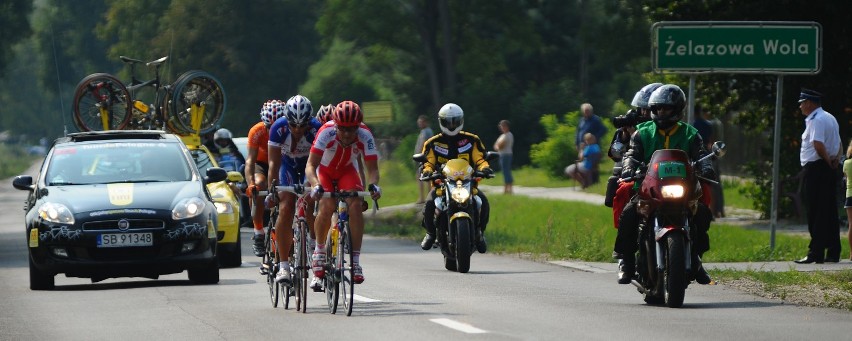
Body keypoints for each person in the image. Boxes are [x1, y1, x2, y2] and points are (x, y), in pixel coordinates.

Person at [614, 84, 715, 285]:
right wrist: (628, 167)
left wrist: (706, 167)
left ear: (677, 109)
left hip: (682, 190)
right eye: (658, 109)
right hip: (649, 189)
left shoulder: (690, 134)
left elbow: (702, 155)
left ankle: (696, 259)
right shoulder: (642, 132)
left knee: (702, 214)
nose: (661, 112)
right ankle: (626, 261)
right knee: (629, 213)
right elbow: (632, 154)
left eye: (666, 109)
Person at [306, 100, 381, 284]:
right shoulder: (326, 132)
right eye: (343, 129)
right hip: (324, 171)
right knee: (327, 204)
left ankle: (355, 261)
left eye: (352, 129)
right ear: (336, 125)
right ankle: (320, 250)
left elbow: (373, 169)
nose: (347, 134)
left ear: (358, 126)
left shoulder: (365, 135)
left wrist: (373, 186)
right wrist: (315, 184)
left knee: (355, 206)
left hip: (347, 171)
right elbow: (311, 165)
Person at [419, 103, 493, 253]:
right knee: (428, 205)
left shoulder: (471, 140)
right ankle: (431, 233)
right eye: (448, 122)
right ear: (441, 122)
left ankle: (479, 233)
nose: (452, 126)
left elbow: (479, 158)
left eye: (455, 122)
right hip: (442, 186)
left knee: (484, 202)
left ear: (461, 121)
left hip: (468, 185)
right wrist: (427, 171)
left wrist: (484, 168)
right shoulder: (433, 143)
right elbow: (429, 162)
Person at [266, 95, 323, 285]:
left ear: (309, 121)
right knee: (286, 206)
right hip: (287, 166)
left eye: (302, 125)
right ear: (287, 121)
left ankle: (316, 255)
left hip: (308, 166)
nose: (298, 130)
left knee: (311, 202)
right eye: (294, 125)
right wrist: (271, 190)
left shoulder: (316, 129)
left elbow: (320, 164)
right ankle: (283, 266)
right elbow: (273, 164)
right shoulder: (278, 128)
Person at [794, 89, 842, 264]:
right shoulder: (830, 117)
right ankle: (833, 251)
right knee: (829, 211)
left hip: (817, 168)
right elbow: (839, 142)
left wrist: (828, 160)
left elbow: (817, 143)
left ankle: (816, 252)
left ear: (809, 103)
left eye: (802, 103)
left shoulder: (816, 119)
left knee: (815, 211)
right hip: (828, 167)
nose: (800, 106)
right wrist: (836, 159)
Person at [246, 99, 286, 257]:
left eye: (278, 126)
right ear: (264, 123)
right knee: (259, 184)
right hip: (262, 163)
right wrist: (250, 184)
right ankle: (258, 232)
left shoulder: (289, 130)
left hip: (283, 162)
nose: (274, 130)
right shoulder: (256, 131)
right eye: (270, 127)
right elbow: (250, 161)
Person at [706, 108, 726, 218]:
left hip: (712, 155)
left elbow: (711, 140)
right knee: (718, 184)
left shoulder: (711, 123)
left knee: (713, 184)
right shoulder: (719, 123)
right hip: (718, 154)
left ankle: (715, 211)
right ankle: (721, 210)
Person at [415, 115, 434, 202]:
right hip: (427, 156)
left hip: (423, 157)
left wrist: (419, 155)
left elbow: (423, 143)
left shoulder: (425, 131)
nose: (420, 124)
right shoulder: (428, 131)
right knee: (427, 176)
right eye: (419, 122)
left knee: (421, 176)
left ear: (426, 122)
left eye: (421, 122)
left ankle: (422, 198)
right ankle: (429, 196)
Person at [494, 119, 514, 194]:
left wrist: (497, 146)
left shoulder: (508, 135)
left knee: (506, 172)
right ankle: (509, 189)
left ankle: (507, 189)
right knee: (506, 171)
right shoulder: (503, 135)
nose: (501, 127)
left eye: (502, 126)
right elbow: (496, 145)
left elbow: (500, 146)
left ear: (506, 126)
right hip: (503, 154)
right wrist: (497, 146)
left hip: (505, 155)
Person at [844, 139, 852, 261]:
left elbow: (846, 178)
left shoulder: (847, 163)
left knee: (851, 225)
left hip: (849, 195)